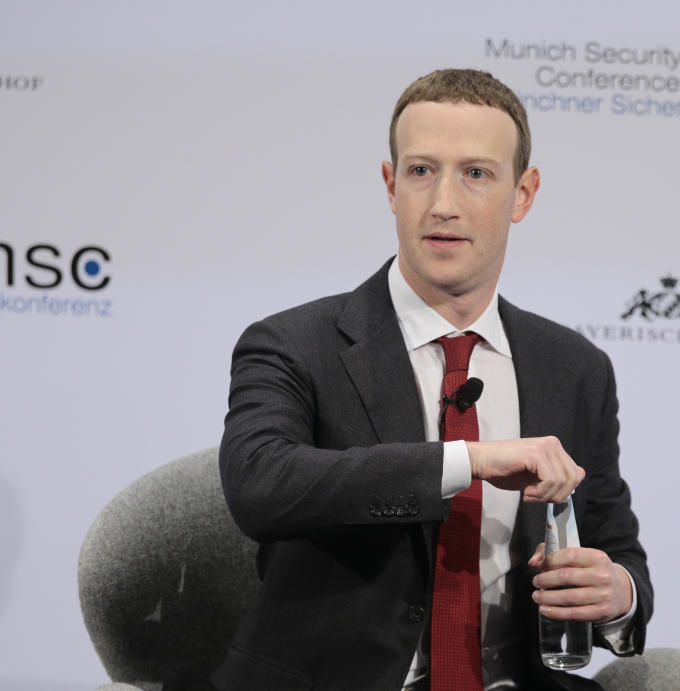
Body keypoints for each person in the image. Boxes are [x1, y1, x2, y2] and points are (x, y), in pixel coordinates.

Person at [213, 68, 652, 691]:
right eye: (422, 171)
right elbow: (261, 485)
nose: (443, 202)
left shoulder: (575, 368)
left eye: (476, 173)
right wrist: (466, 460)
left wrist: (617, 593)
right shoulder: (294, 344)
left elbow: (616, 544)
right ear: (391, 186)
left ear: (523, 194)